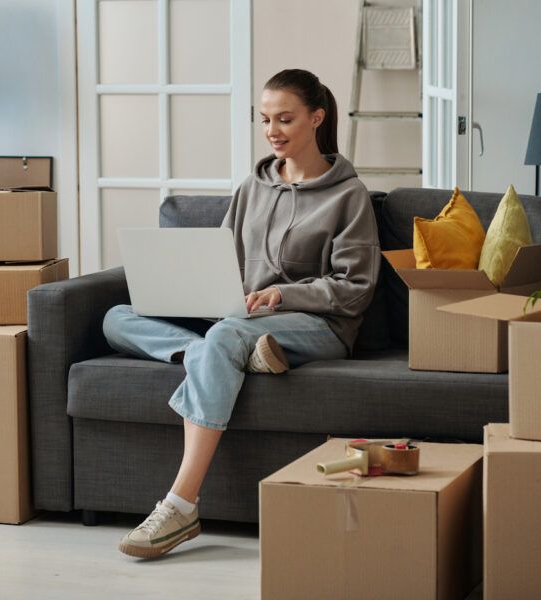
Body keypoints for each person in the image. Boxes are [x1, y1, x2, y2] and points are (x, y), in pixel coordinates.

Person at [103, 68, 381, 559]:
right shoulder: (251, 188)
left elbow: (354, 289)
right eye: (265, 119)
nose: (273, 130)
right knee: (118, 317)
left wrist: (283, 296)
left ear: (316, 118)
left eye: (285, 119)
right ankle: (222, 353)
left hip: (318, 326)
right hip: (240, 322)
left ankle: (181, 502)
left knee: (227, 336)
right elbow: (222, 260)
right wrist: (196, 294)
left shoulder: (348, 195)